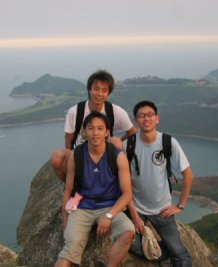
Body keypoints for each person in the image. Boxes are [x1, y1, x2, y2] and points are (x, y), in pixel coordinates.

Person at [54, 111, 135, 267]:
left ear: (107, 132)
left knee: (127, 232)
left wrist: (110, 215)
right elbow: (68, 190)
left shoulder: (117, 156)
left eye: (100, 128)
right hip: (83, 208)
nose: (95, 132)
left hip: (109, 206)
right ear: (85, 131)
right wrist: (65, 224)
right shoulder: (77, 155)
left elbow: (127, 194)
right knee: (68, 250)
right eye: (91, 128)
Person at [124, 100, 193, 267]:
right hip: (137, 208)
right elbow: (123, 182)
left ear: (157, 119)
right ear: (135, 121)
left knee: (180, 256)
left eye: (150, 115)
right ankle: (162, 252)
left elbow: (188, 175)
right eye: (141, 116)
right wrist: (133, 214)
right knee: (126, 241)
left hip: (162, 209)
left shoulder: (168, 142)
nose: (146, 119)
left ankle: (168, 251)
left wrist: (180, 206)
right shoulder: (128, 145)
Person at [51, 69, 136, 182]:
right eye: (96, 89)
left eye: (104, 90)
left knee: (116, 142)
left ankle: (114, 182)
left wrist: (118, 142)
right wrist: (72, 160)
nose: (99, 94)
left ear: (108, 93)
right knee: (56, 157)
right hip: (82, 152)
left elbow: (132, 132)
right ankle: (72, 186)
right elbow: (69, 139)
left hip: (104, 154)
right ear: (89, 89)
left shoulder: (115, 111)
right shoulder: (75, 111)